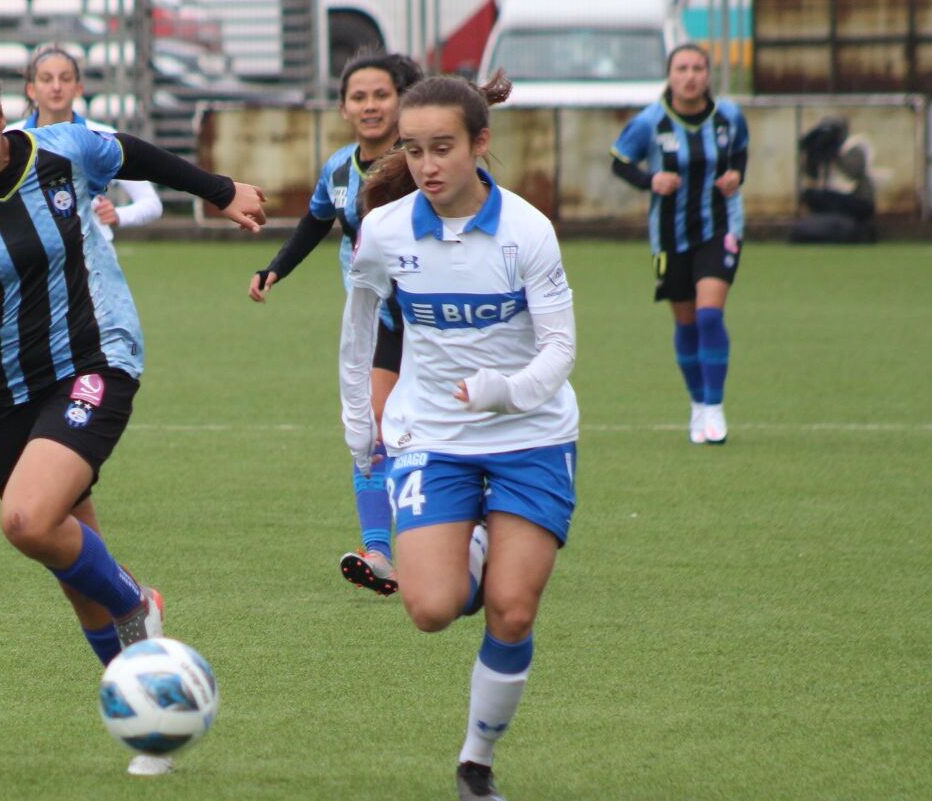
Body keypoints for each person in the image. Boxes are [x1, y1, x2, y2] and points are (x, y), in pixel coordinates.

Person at [0, 57, 265, 777]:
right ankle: (151, 727)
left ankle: (136, 601)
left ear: (1, 115)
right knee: (67, 557)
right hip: (3, 394)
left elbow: (136, 154)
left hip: (94, 358)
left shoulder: (62, 150)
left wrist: (220, 191)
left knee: (26, 520)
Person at [339, 74, 579, 801]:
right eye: (412, 150)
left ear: (481, 143)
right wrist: (358, 419)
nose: (426, 165)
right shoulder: (383, 232)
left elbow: (560, 348)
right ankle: (470, 542)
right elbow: (357, 330)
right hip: (431, 434)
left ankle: (476, 761)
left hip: (530, 433)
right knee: (429, 607)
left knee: (511, 606)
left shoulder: (526, 231)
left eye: (441, 147)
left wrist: (504, 390)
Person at [248, 52, 423, 596]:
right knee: (369, 433)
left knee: (443, 433)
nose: (370, 106)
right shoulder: (339, 168)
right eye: (359, 97)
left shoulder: (424, 161)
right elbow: (314, 223)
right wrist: (275, 268)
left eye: (381, 95)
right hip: (377, 327)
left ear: (401, 100)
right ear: (345, 107)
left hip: (436, 323)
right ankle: (380, 553)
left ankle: (463, 541)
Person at [610, 43, 747, 445]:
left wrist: (737, 175)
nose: (690, 76)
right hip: (669, 236)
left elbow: (740, 153)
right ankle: (698, 404)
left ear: (709, 75)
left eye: (698, 68)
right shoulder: (650, 122)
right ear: (670, 75)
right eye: (682, 68)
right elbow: (619, 161)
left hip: (720, 227)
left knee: (709, 316)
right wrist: (650, 180)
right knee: (685, 322)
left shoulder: (729, 116)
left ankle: (716, 407)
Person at [5, 45, 163, 241]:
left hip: (94, 257)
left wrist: (119, 215)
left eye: (65, 78)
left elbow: (151, 203)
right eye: (46, 79)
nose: (56, 87)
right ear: (31, 89)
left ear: (78, 88)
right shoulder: (10, 138)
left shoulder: (104, 137)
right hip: (34, 258)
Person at [792, 115, 877, 243]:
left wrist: (835, 154)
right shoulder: (823, 149)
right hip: (837, 198)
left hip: (858, 200)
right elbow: (812, 175)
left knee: (825, 199)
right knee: (811, 195)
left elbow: (852, 172)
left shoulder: (855, 145)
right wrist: (812, 155)